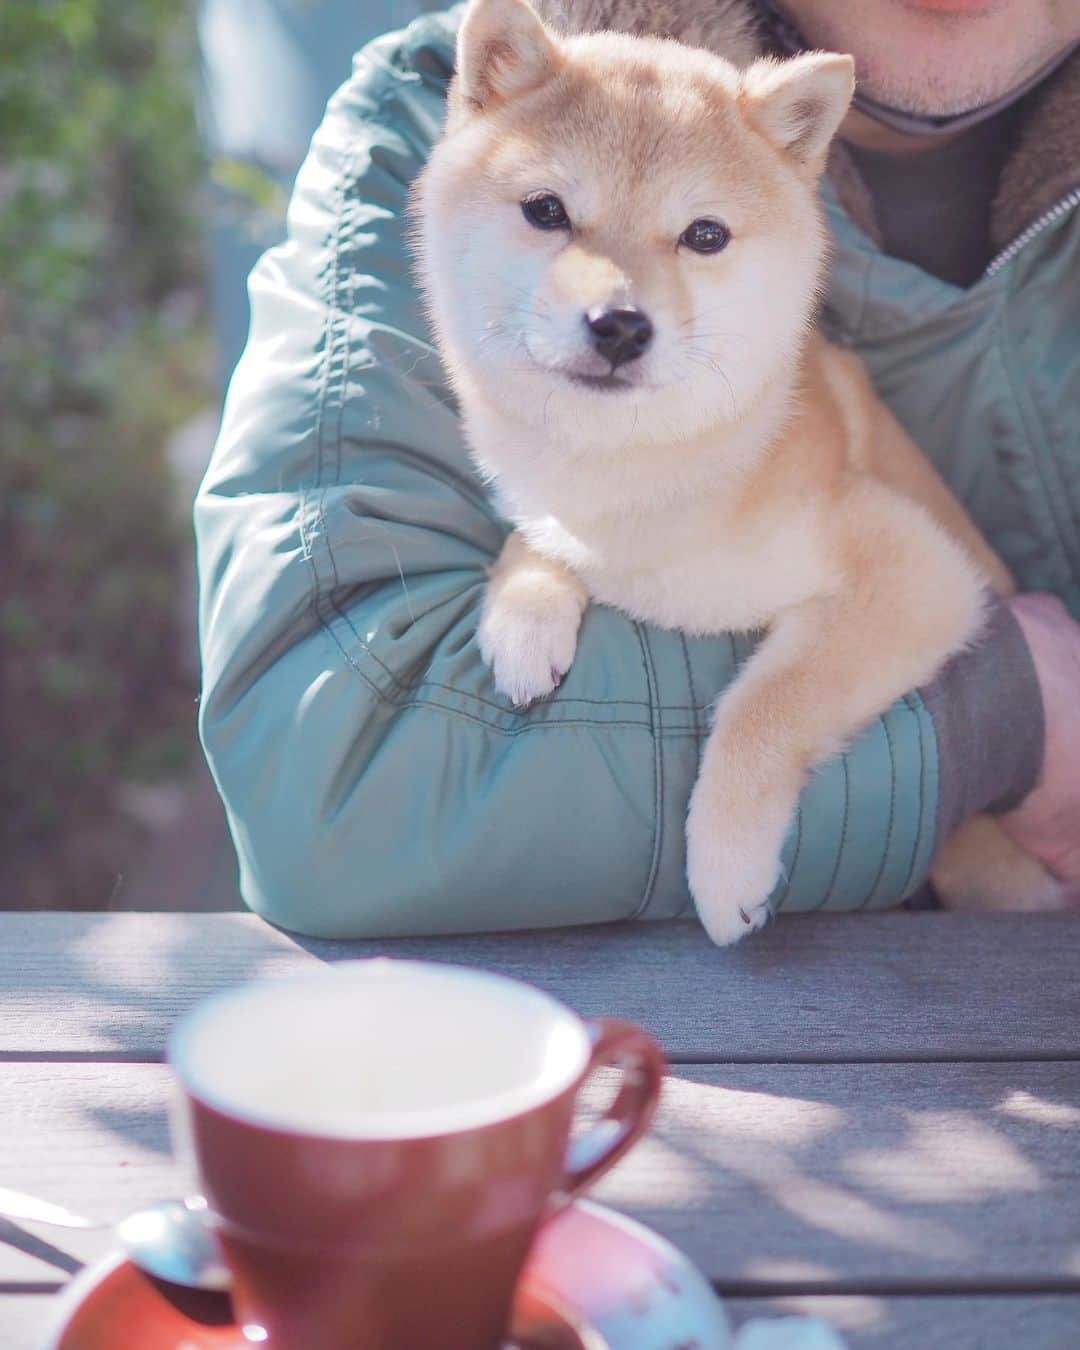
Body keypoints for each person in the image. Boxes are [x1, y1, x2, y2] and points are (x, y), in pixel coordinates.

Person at [194, 0, 1080, 938]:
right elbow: (335, 792)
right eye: (549, 214)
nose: (618, 301)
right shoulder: (423, 123)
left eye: (699, 238)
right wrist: (1000, 713)